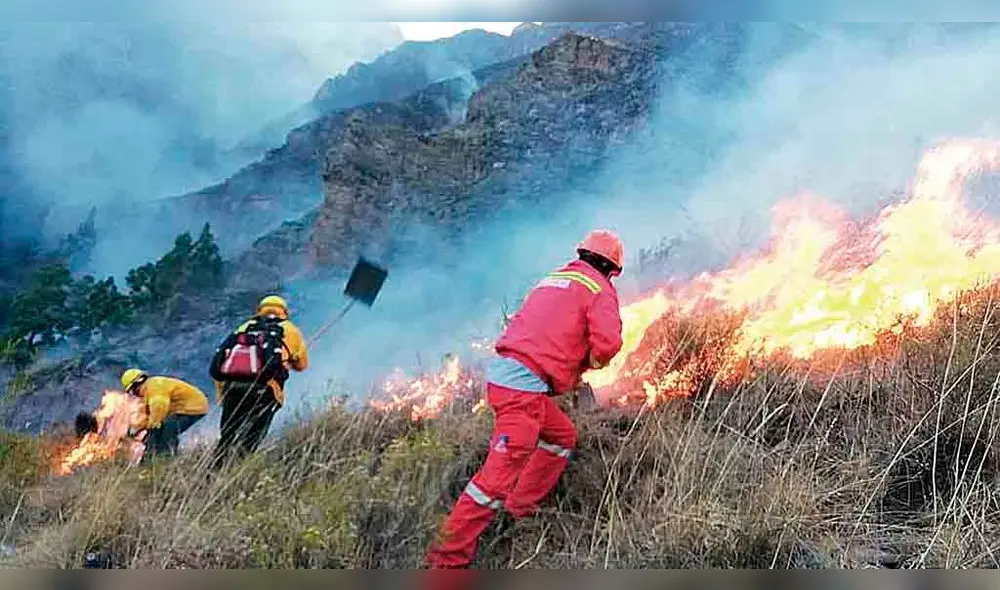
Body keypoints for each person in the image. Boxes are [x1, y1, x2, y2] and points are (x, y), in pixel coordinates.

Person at [425, 229, 626, 568]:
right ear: (612, 268)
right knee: (490, 484)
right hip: (523, 391)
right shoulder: (599, 288)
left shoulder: (554, 279)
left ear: (582, 254)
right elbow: (607, 344)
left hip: (505, 378)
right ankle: (445, 562)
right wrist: (592, 362)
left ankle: (519, 509)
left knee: (561, 436)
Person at [210, 295, 308, 469]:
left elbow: (222, 362)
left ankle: (212, 473)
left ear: (259, 310)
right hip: (266, 391)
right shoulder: (290, 329)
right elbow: (301, 366)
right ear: (284, 312)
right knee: (251, 439)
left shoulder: (244, 327)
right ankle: (238, 471)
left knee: (227, 437)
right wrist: (288, 360)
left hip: (233, 389)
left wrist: (222, 397)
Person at [120, 369, 209, 459]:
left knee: (168, 430)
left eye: (131, 391)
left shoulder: (154, 387)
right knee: (158, 431)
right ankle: (153, 458)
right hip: (182, 408)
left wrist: (151, 428)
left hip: (194, 407)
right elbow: (149, 415)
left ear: (135, 385)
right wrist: (138, 429)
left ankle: (167, 458)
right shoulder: (148, 390)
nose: (133, 394)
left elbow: (159, 408)